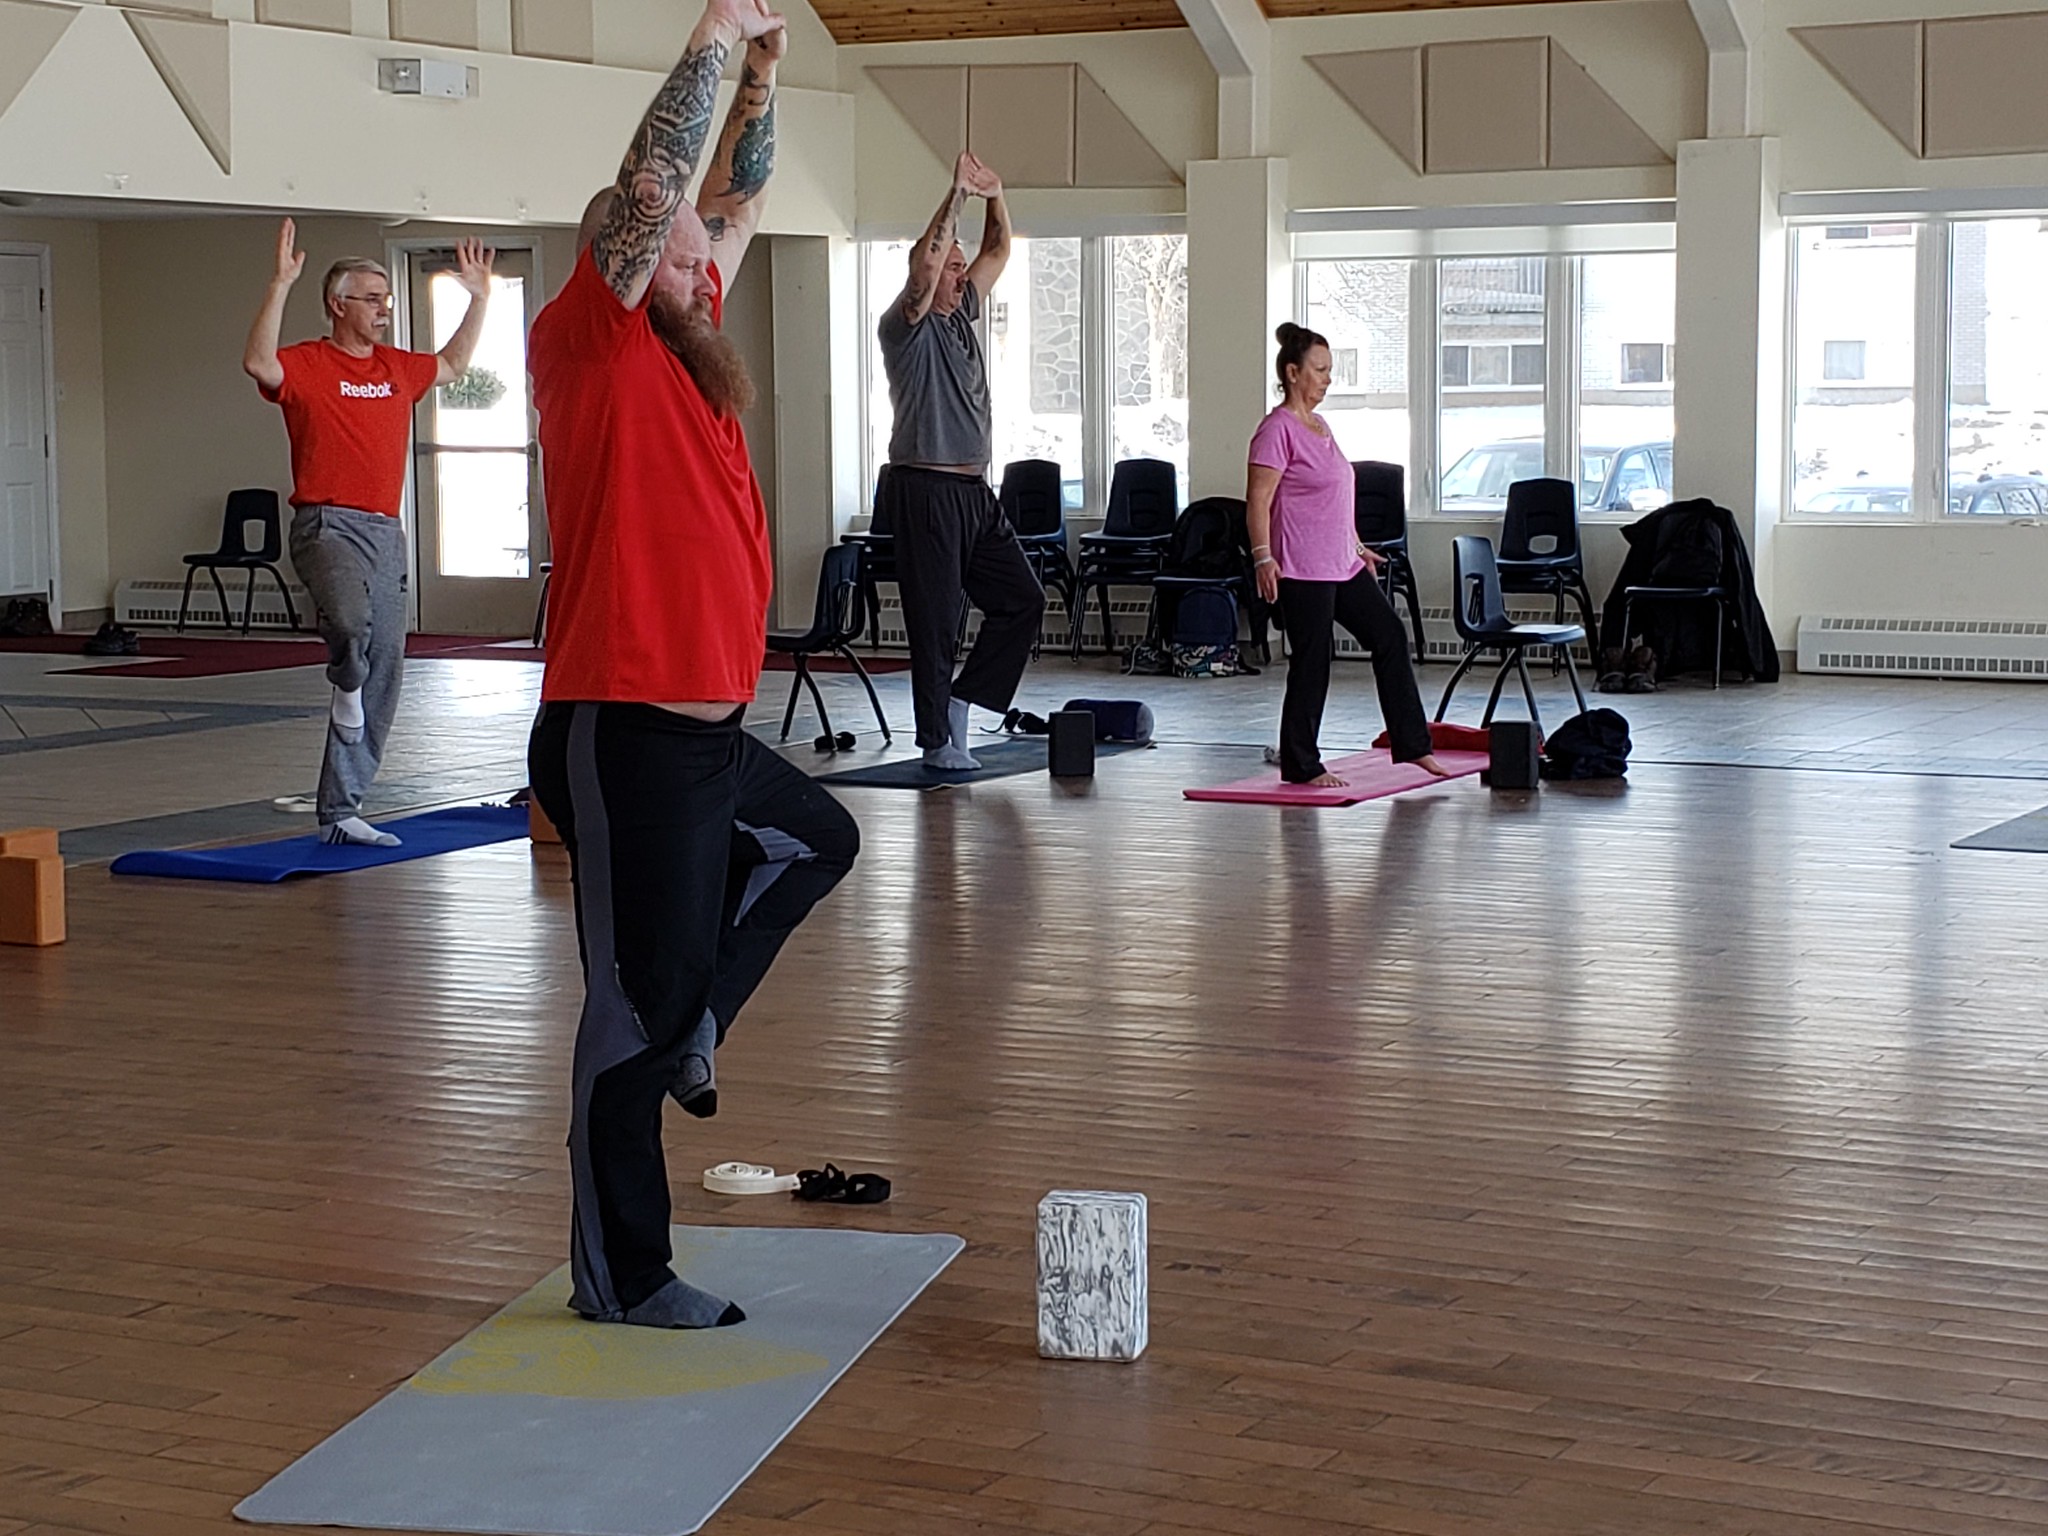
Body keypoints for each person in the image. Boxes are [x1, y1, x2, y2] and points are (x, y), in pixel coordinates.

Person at [526, 0, 859, 1331]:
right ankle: (625, 1275)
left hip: (711, 739)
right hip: (625, 736)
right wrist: (718, 34)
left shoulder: (690, 332)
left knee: (816, 840)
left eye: (691, 251)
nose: (692, 248)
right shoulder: (588, 343)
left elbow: (733, 197)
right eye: (664, 241)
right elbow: (664, 182)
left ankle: (700, 1025)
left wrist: (766, 85)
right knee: (628, 1010)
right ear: (619, 250)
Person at [243, 222, 495, 846]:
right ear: (338, 305)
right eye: (372, 298)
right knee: (351, 625)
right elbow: (256, 361)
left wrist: (480, 297)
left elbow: (456, 363)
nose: (384, 308)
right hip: (326, 524)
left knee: (387, 666)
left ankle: (342, 810)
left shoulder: (396, 369)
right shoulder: (307, 363)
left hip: (385, 532)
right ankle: (344, 681)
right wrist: (278, 285)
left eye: (386, 298)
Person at [877, 152, 1045, 772]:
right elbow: (925, 261)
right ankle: (935, 742)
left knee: (1023, 600)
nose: (958, 274)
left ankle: (962, 704)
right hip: (924, 487)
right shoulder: (906, 327)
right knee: (937, 619)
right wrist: (956, 199)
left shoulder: (964, 314)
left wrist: (995, 196)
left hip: (976, 491)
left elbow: (999, 249)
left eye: (958, 268)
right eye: (950, 267)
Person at [1249, 323, 1448, 789]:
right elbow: (1258, 499)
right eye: (1319, 370)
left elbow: (1334, 496)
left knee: (1389, 637)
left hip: (1342, 564)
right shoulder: (1275, 430)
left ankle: (1414, 746)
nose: (1327, 379)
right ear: (1293, 372)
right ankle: (1302, 763)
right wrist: (1263, 557)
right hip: (1299, 567)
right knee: (1313, 660)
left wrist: (1358, 547)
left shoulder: (1320, 427)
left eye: (1330, 370)